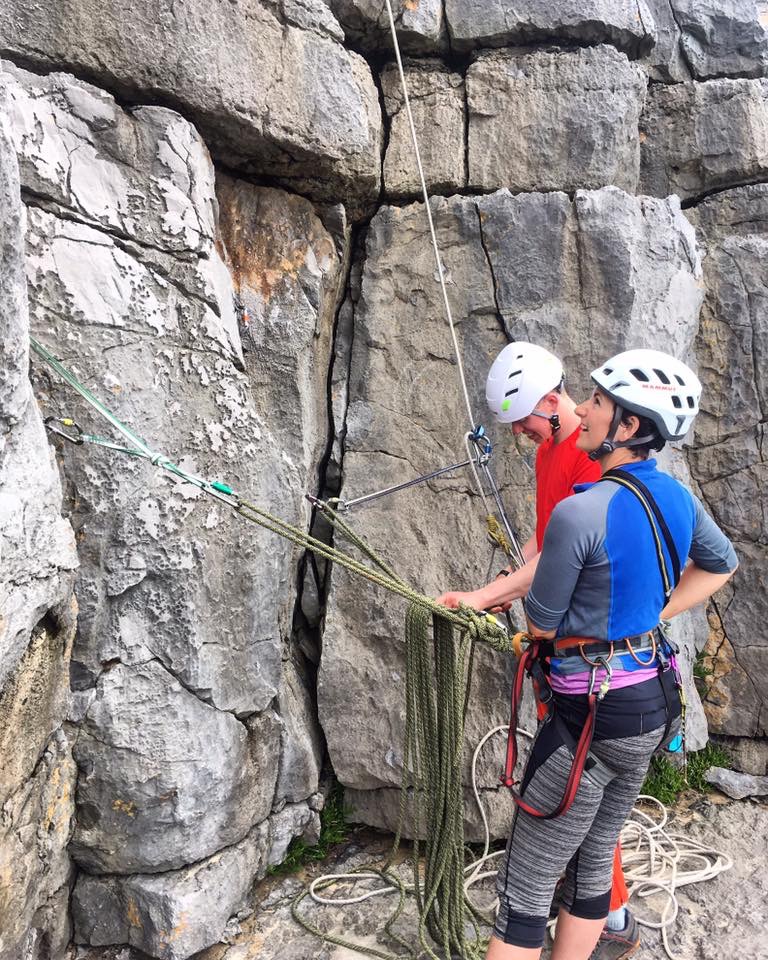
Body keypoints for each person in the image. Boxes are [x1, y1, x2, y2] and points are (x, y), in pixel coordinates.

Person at [487, 348, 738, 960]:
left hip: (586, 720)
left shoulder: (582, 510)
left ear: (627, 426)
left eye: (598, 401)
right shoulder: (676, 497)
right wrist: (652, 615)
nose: (586, 409)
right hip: (650, 709)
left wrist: (511, 599)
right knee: (595, 862)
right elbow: (720, 563)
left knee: (526, 887)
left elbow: (543, 621)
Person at [436, 342, 636, 958]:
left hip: (588, 657)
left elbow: (561, 555)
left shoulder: (591, 465)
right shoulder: (552, 450)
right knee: (579, 792)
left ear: (552, 400)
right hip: (561, 651)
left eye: (523, 418)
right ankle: (593, 905)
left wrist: (482, 594)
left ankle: (616, 916)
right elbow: (544, 536)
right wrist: (513, 572)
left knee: (580, 793)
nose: (520, 433)